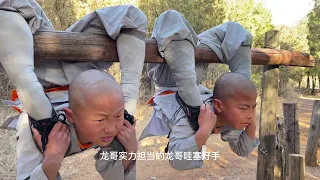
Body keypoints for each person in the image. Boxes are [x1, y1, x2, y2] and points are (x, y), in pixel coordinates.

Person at [0, 2, 147, 179]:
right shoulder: (113, 128)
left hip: (40, 79)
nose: (110, 128)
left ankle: (45, 119)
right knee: (131, 16)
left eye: (118, 116)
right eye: (100, 119)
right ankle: (46, 119)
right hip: (79, 71)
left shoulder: (34, 132)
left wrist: (51, 161)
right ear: (70, 115)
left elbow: (114, 175)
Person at [139, 10, 260, 170]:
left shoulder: (200, 120)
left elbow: (243, 150)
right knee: (236, 31)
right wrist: (205, 128)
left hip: (169, 79)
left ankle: (188, 45)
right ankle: (190, 45)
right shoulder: (209, 113)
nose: (249, 115)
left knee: (171, 19)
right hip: (188, 79)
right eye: (245, 108)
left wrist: (203, 131)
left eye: (253, 108)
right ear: (218, 106)